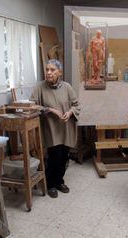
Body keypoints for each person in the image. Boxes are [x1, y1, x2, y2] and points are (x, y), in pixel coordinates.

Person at [30, 59, 80, 198]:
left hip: (65, 128)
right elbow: (32, 105)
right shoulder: (40, 87)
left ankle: (59, 181)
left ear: (59, 72)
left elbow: (76, 105)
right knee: (54, 156)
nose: (48, 72)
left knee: (64, 157)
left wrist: (69, 113)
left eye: (52, 70)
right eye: (47, 69)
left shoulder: (67, 87)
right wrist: (51, 110)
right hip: (51, 129)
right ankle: (51, 184)